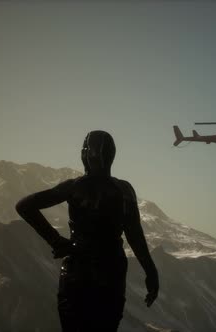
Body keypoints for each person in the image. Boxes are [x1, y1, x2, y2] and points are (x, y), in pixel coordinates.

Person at [15, 130, 159, 331]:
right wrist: (151, 271)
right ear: (111, 155)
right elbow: (134, 235)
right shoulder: (125, 190)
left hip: (77, 271)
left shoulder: (73, 187)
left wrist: (56, 241)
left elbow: (24, 206)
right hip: (112, 273)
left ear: (86, 155)